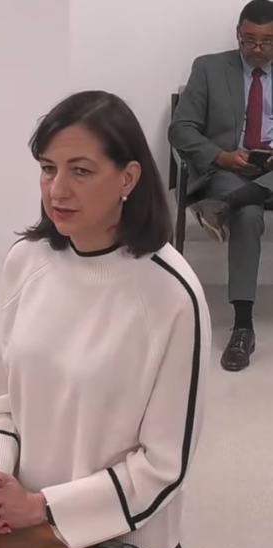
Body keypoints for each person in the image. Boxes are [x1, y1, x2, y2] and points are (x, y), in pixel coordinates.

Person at [0, 91, 212, 548]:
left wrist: (42, 506)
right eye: (48, 168)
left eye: (81, 170)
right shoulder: (26, 261)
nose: (57, 190)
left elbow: (163, 465)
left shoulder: (173, 294)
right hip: (21, 538)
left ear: (128, 178)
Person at [169, 0, 273, 371]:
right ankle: (243, 327)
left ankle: (221, 206)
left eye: (267, 42)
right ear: (238, 36)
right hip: (229, 168)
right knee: (247, 215)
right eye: (249, 41)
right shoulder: (210, 68)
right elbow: (180, 130)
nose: (257, 50)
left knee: (240, 205)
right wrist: (221, 156)